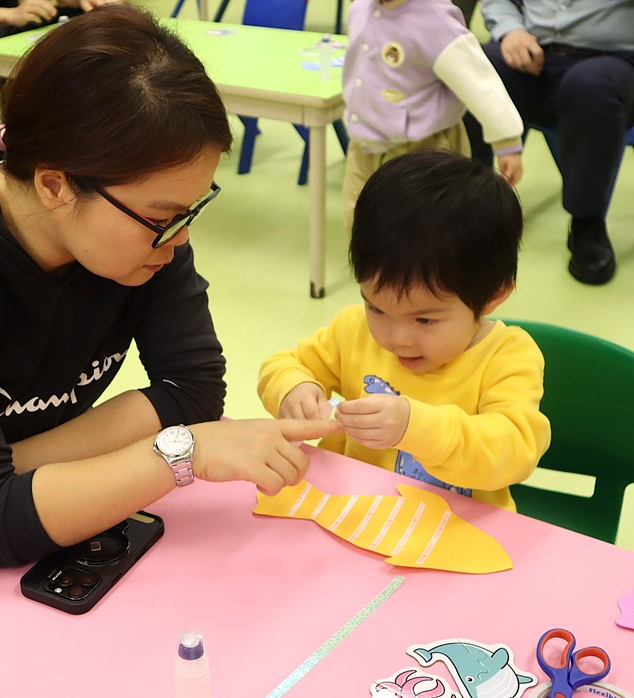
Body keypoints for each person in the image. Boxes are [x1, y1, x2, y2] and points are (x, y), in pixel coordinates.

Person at [0, 5, 338, 622]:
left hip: (8, 476)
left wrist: (17, 463)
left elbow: (192, 390)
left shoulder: (140, 233)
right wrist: (179, 452)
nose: (179, 239)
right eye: (163, 217)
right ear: (54, 185)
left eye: (190, 211)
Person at [259, 150, 551, 511]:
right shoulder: (353, 329)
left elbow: (515, 450)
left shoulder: (508, 357)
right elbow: (283, 365)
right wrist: (294, 389)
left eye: (424, 320)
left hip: (456, 530)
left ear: (493, 296)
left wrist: (417, 427)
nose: (396, 338)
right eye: (376, 308)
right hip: (352, 513)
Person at [464, 0, 634, 286]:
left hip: (615, 60)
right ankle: (469, 207)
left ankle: (587, 223)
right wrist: (511, 30)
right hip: (531, 54)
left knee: (590, 85)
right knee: (465, 65)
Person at [340, 0, 524, 233]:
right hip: (363, 144)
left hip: (424, 151)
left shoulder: (435, 19)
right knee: (360, 224)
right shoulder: (360, 8)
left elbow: (478, 81)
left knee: (422, 234)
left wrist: (507, 141)